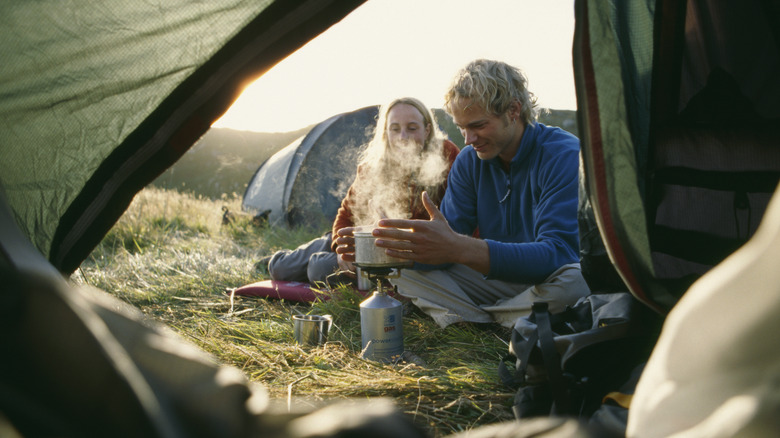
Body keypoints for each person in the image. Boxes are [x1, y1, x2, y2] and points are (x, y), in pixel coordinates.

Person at [337, 59, 590, 327]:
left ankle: (479, 319)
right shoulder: (470, 161)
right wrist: (390, 249)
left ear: (513, 110)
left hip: (545, 279)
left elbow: (558, 254)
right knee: (403, 273)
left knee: (575, 281)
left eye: (478, 125)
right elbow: (444, 248)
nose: (468, 139)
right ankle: (508, 320)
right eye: (462, 127)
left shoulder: (563, 155)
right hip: (495, 280)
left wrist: (459, 248)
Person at [267, 97, 460, 286]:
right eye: (395, 129)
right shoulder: (374, 165)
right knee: (280, 269)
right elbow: (346, 213)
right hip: (361, 237)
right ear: (386, 132)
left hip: (391, 254)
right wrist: (341, 250)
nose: (403, 137)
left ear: (427, 130)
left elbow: (454, 223)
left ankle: (315, 263)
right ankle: (277, 259)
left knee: (319, 268)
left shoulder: (446, 156)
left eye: (412, 128)